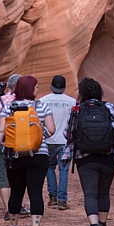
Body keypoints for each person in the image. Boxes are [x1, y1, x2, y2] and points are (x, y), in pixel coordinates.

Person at [0, 76, 55, 226]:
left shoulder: (9, 108)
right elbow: (52, 130)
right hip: (39, 155)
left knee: (16, 192)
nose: (38, 90)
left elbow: (0, 131)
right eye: (36, 87)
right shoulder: (42, 106)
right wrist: (39, 135)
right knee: (36, 192)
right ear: (30, 89)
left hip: (14, 156)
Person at [62, 78, 114, 226]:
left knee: (90, 194)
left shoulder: (76, 109)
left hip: (85, 158)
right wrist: (109, 143)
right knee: (103, 193)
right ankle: (103, 225)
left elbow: (68, 135)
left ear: (82, 93)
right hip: (108, 156)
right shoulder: (109, 107)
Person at [0, 73, 30, 221]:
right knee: (18, 177)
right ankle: (19, 205)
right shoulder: (25, 102)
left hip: (0, 144)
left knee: (2, 178)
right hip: (19, 144)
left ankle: (8, 209)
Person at [39, 75, 76, 210]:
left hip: (48, 139)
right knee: (64, 169)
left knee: (49, 167)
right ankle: (62, 200)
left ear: (51, 86)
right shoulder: (72, 102)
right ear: (64, 87)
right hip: (65, 140)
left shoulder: (43, 101)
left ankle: (52, 197)